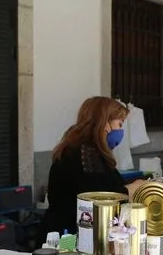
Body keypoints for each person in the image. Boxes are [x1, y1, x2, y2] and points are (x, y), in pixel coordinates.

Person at [40, 97, 144, 238]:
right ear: (105, 123)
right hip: (68, 237)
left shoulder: (86, 150)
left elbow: (106, 183)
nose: (121, 131)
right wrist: (131, 190)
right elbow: (101, 197)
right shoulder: (86, 154)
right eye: (119, 124)